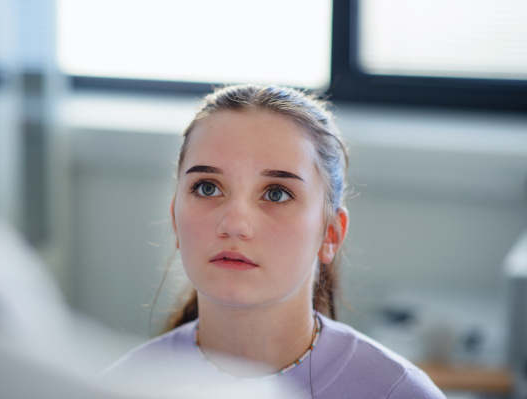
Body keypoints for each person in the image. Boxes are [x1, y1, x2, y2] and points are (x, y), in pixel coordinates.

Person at [98, 84, 446, 398]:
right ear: (175, 219)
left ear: (330, 234)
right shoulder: (117, 388)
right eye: (207, 188)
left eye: (277, 194)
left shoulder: (396, 392)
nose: (234, 224)